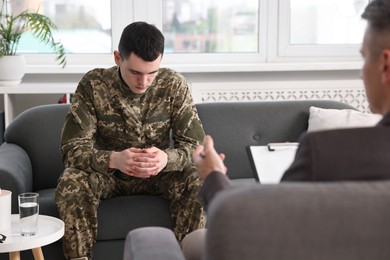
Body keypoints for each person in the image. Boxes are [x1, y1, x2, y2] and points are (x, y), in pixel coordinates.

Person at [184, 0, 390, 258]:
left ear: (385, 65)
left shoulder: (326, 151)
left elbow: (253, 232)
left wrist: (213, 175)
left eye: (364, 58)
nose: (362, 73)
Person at [54, 21, 206, 260]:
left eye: (151, 73)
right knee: (71, 181)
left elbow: (197, 150)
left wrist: (167, 158)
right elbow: (72, 150)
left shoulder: (174, 85)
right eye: (135, 72)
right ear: (117, 58)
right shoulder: (93, 85)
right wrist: (113, 159)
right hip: (110, 176)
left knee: (198, 179)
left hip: (159, 176)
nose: (143, 82)